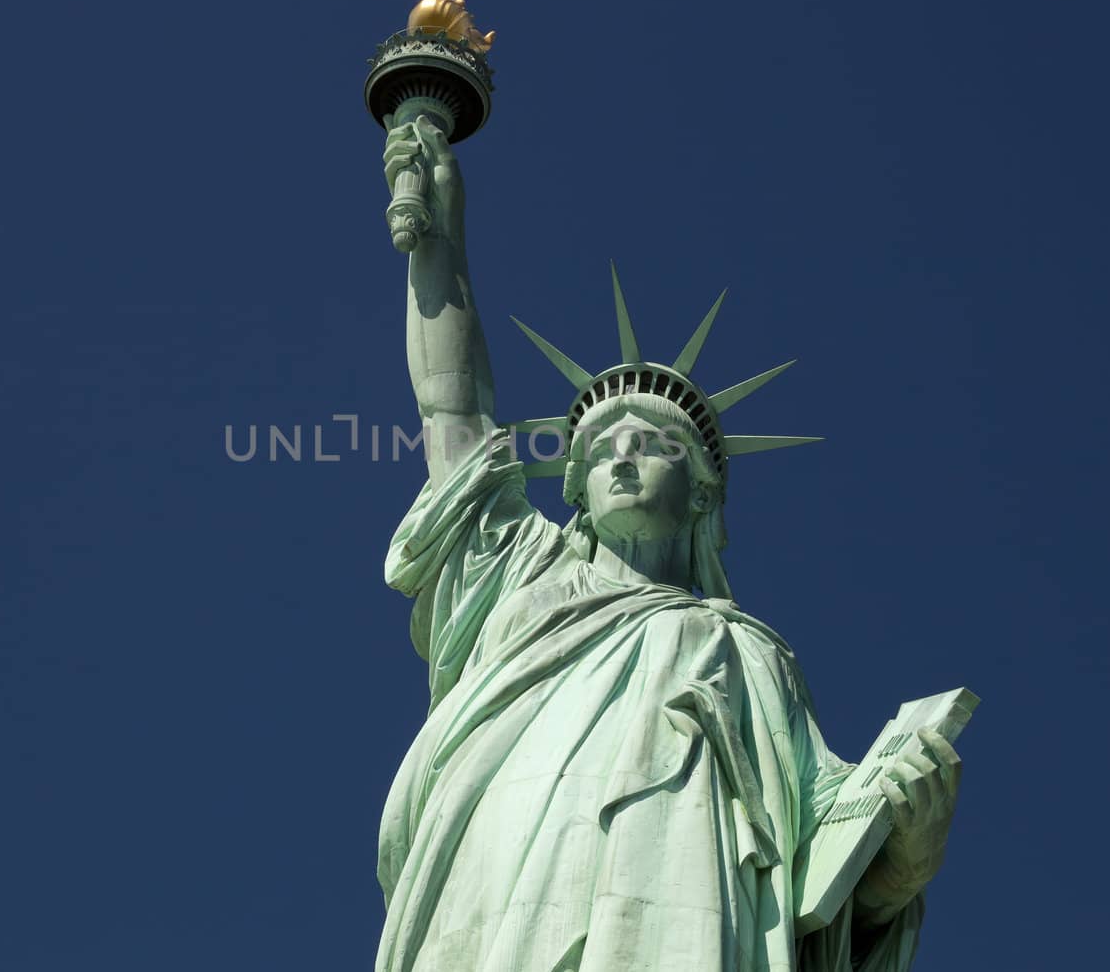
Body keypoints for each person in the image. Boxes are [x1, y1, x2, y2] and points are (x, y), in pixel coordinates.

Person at [375, 116, 962, 972]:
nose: (620, 454)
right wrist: (439, 245)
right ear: (571, 487)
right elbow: (452, 413)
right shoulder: (516, 576)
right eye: (599, 447)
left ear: (705, 493)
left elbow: (812, 870)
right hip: (497, 895)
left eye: (651, 442)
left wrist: (903, 856)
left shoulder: (750, 654)